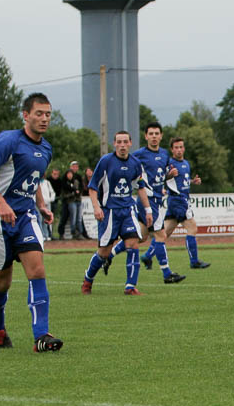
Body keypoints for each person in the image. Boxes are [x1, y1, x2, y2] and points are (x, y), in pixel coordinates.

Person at [0, 92, 62, 352]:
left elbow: (33, 178)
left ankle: (41, 337)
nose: (44, 119)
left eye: (48, 114)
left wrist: (41, 205)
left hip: (25, 217)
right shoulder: (8, 141)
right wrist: (1, 203)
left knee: (37, 270)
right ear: (26, 115)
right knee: (3, 283)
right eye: (39, 114)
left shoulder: (46, 148)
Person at [109, 122, 186, 284]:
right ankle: (167, 274)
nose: (154, 136)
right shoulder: (139, 154)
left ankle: (109, 255)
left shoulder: (165, 154)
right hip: (147, 200)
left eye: (156, 133)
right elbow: (126, 166)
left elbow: (163, 176)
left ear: (161, 136)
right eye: (150, 134)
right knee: (161, 235)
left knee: (140, 237)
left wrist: (170, 175)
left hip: (158, 200)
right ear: (146, 136)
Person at [81, 131, 152, 295]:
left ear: (130, 143)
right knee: (104, 252)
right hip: (109, 212)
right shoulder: (106, 161)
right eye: (119, 142)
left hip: (128, 210)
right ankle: (88, 279)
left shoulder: (135, 163)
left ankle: (130, 286)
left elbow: (139, 187)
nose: (122, 145)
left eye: (125, 142)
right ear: (114, 144)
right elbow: (92, 187)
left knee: (133, 244)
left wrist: (147, 210)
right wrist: (96, 207)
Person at [164, 137, 211, 269]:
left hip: (179, 200)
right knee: (192, 228)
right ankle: (194, 261)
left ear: (184, 148)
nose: (179, 150)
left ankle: (147, 256)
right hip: (178, 200)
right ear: (172, 149)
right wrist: (168, 175)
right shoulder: (170, 163)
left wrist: (192, 181)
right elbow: (160, 178)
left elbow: (182, 181)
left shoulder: (186, 163)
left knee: (164, 233)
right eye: (176, 148)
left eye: (181, 147)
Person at [57, 166, 83, 240]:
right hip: (67, 202)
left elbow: (80, 189)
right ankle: (63, 234)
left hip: (76, 201)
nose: (70, 175)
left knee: (78, 218)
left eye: (71, 174)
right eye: (68, 174)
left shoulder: (76, 181)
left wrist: (76, 193)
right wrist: (73, 193)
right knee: (65, 218)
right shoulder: (64, 182)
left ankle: (79, 233)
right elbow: (64, 194)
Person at [39, 168, 57, 241]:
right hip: (39, 204)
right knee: (40, 219)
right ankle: (41, 234)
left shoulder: (47, 182)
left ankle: (47, 235)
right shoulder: (37, 182)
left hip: (47, 203)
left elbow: (52, 193)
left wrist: (50, 200)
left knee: (47, 219)